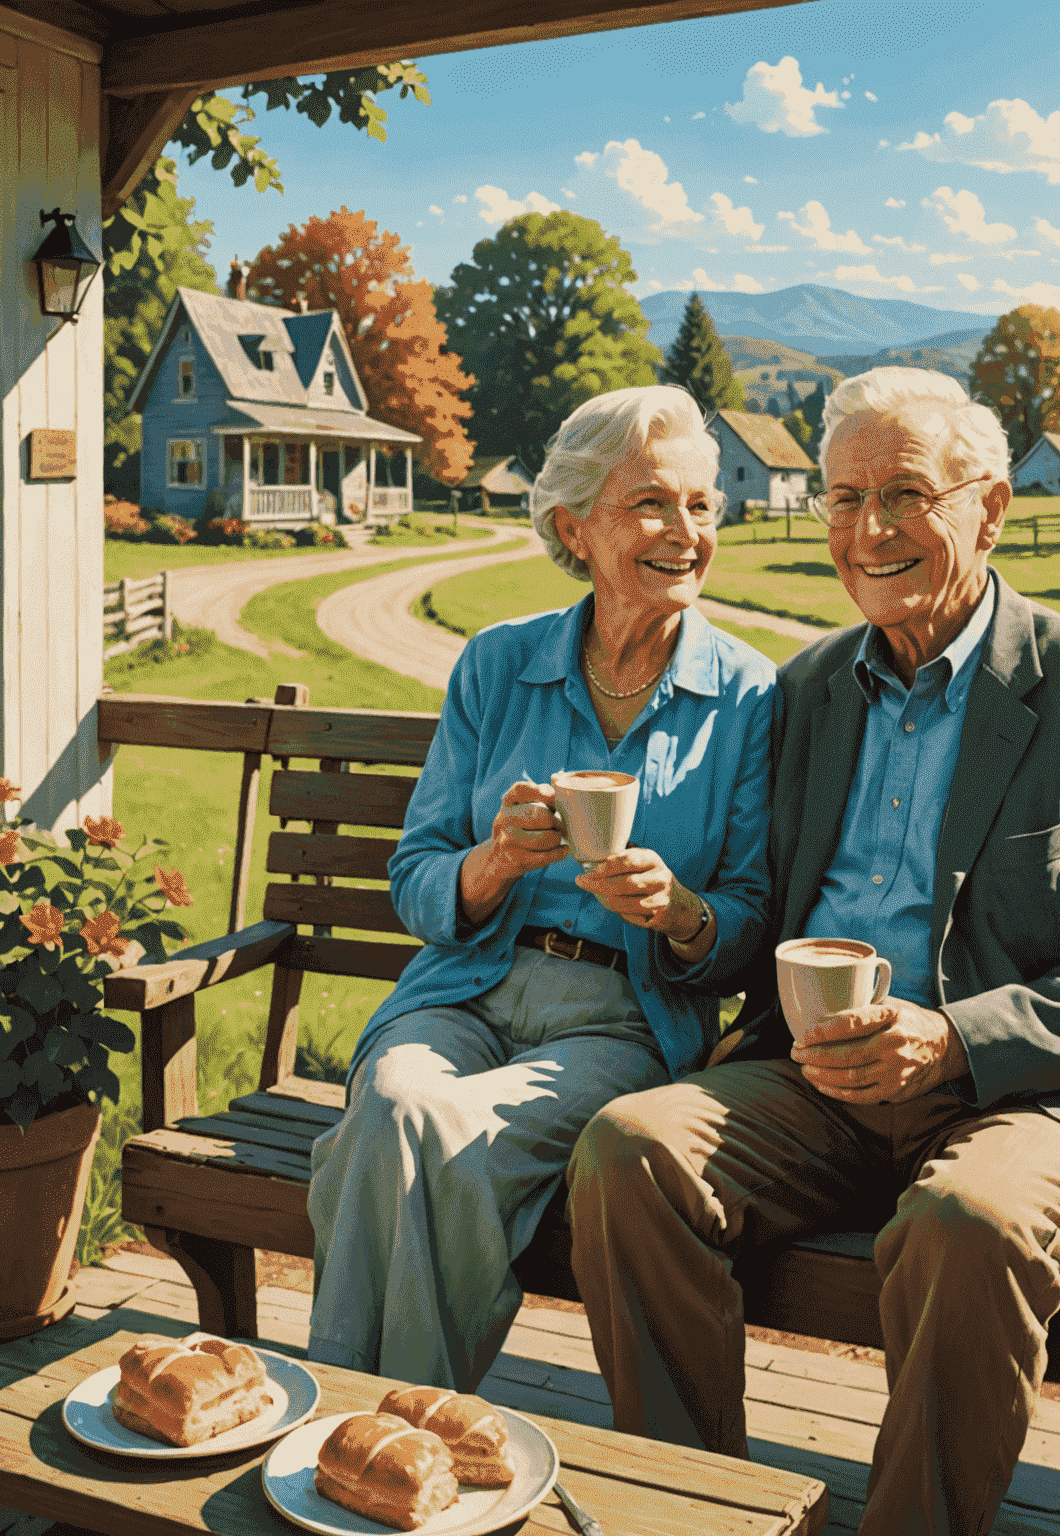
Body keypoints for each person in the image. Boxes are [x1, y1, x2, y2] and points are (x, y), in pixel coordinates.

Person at [568, 367, 1060, 1535]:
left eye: (907, 493)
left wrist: (956, 1040)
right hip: (822, 1084)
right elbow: (761, 921)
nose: (870, 530)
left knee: (967, 1225)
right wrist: (687, 917)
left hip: (1033, 1101)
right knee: (631, 1149)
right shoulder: (809, 690)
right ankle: (697, 1515)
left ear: (992, 507)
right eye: (844, 496)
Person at [308, 385, 776, 1393]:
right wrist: (495, 863)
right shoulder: (499, 664)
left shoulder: (745, 694)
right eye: (652, 503)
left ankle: (358, 1425)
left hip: (622, 1019)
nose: (686, 531)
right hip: (465, 989)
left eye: (702, 504)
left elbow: (751, 919)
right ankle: (391, 1436)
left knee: (427, 1138)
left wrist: (680, 911)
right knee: (392, 1108)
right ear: (575, 525)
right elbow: (417, 876)